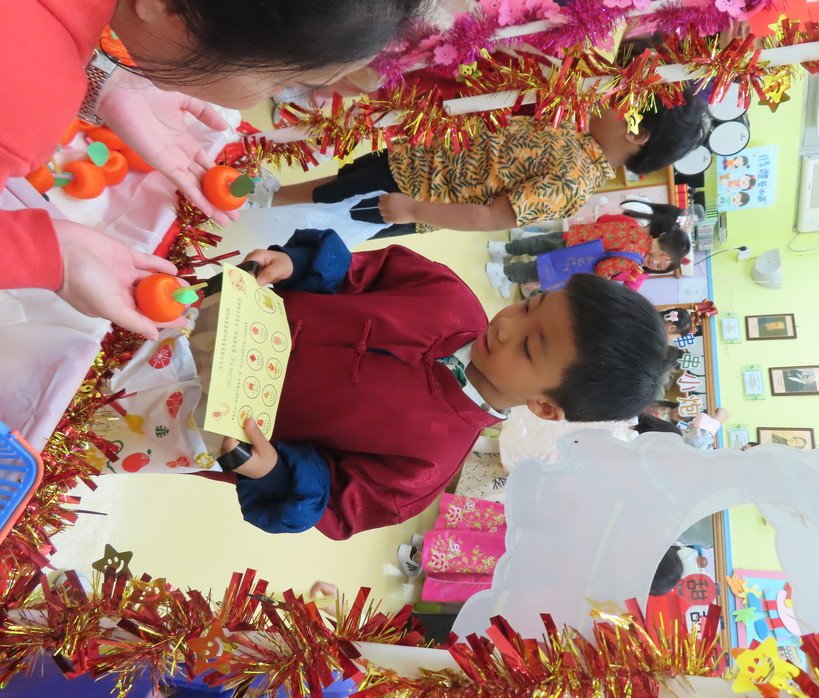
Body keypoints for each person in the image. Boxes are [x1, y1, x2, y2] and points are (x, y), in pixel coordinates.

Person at [207, 231, 669, 540]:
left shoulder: (425, 466)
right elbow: (359, 272)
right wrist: (296, 263)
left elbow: (336, 496)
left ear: (545, 407)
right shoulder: (447, 294)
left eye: (530, 347)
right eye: (530, 307)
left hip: (207, 424)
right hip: (218, 319)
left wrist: (273, 471)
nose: (508, 326)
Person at [1, 0, 422, 338]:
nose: (274, 96)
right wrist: (51, 255)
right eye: (282, 83)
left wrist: (104, 79)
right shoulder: (26, 114)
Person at [269, 92, 710, 237]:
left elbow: (491, 217)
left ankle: (267, 210)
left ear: (636, 132)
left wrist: (415, 210)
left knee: (329, 210)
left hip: (414, 195)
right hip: (416, 159)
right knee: (339, 184)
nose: (609, 95)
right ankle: (270, 199)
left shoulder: (573, 180)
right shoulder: (576, 130)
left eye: (623, 99)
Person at [485, 203, 690, 295]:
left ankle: (502, 249)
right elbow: (603, 268)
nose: (656, 264)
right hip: (575, 257)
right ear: (664, 256)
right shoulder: (633, 259)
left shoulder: (635, 228)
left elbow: (606, 220)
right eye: (661, 264)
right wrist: (603, 281)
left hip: (573, 237)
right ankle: (503, 272)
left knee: (538, 243)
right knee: (538, 269)